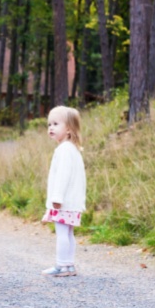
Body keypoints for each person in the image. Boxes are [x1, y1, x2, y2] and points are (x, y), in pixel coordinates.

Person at [41, 106, 87, 278]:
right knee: (68, 232)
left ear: (68, 129)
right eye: (49, 124)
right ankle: (69, 265)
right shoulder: (72, 149)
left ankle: (61, 265)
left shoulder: (65, 150)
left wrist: (57, 197)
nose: (51, 128)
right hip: (72, 201)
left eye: (55, 124)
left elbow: (63, 175)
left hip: (63, 201)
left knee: (62, 232)